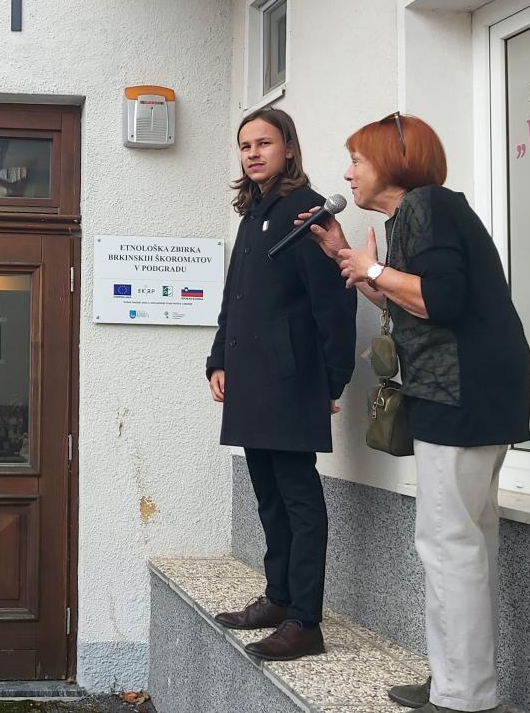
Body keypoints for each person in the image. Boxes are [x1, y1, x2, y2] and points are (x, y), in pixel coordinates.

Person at [300, 113, 530, 713]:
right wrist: (347, 256)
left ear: (392, 162)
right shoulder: (417, 215)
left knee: (448, 543)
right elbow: (412, 301)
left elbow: (441, 299)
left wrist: (373, 269)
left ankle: (462, 695)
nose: (348, 173)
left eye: (358, 159)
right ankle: (461, 680)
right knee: (464, 542)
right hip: (472, 394)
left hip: (459, 394)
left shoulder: (427, 205)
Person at [206, 108, 357, 660]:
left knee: (299, 499)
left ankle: (305, 620)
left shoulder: (306, 211)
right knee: (268, 495)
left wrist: (332, 380)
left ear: (288, 148)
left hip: (293, 381)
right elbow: (236, 297)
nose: (252, 153)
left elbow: (335, 303)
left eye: (264, 143)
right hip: (251, 380)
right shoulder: (254, 212)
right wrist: (218, 359)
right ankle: (278, 597)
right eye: (245, 145)